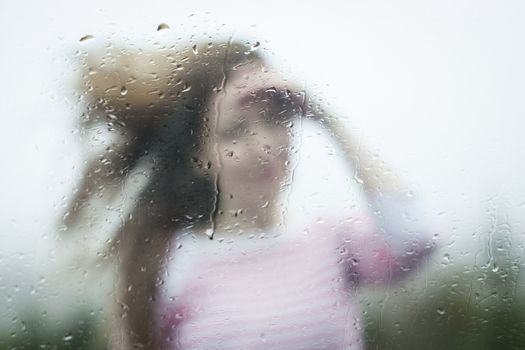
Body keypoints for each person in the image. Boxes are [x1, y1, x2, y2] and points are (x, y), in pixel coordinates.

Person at [64, 40, 436, 350]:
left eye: (276, 120)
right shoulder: (172, 265)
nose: (263, 146)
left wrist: (326, 117)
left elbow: (416, 238)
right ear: (199, 157)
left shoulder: (333, 241)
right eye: (235, 131)